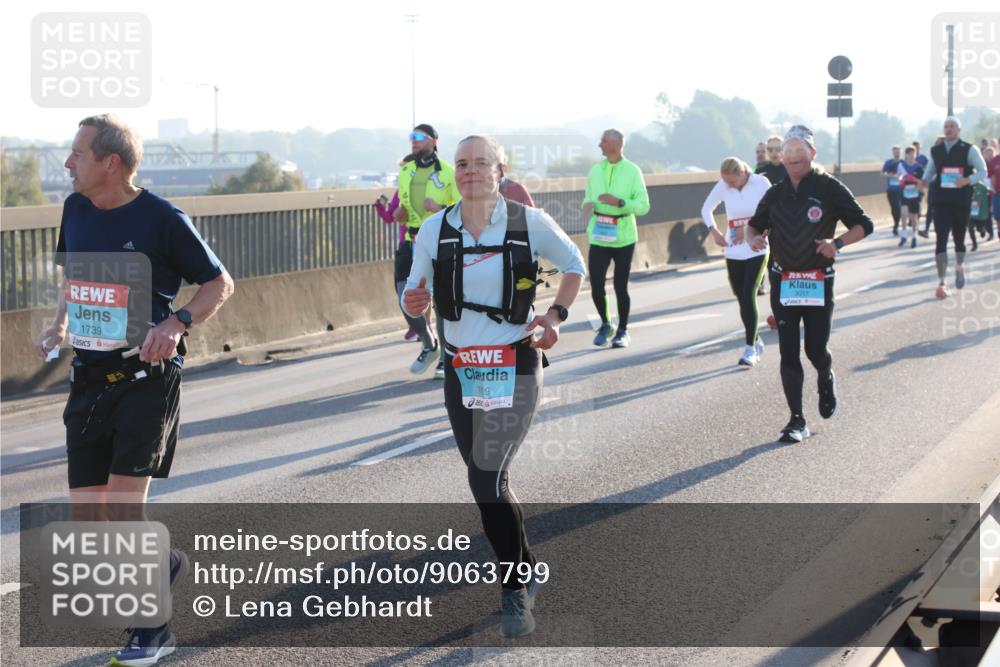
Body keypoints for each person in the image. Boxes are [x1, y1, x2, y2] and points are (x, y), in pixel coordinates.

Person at [34, 114, 234, 666]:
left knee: (123, 513)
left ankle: (153, 630)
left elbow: (219, 282)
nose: (68, 163)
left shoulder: (162, 217)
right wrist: (61, 325)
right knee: (90, 525)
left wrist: (176, 324)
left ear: (110, 163)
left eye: (77, 154)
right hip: (88, 381)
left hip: (146, 379)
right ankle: (163, 561)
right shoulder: (75, 209)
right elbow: (73, 278)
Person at [402, 135, 584, 637]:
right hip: (462, 367)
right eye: (462, 164)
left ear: (500, 170)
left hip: (517, 362)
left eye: (482, 163)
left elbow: (575, 265)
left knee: (485, 478)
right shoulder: (435, 229)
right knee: (491, 485)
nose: (471, 171)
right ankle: (526, 571)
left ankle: (513, 595)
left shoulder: (527, 221)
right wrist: (414, 306)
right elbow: (414, 291)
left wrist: (555, 316)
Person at [745, 126, 873, 444]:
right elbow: (753, 226)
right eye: (787, 159)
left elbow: (864, 224)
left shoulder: (829, 187)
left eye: (799, 158)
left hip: (818, 280)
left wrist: (837, 243)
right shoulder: (775, 192)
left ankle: (825, 375)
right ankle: (796, 420)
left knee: (814, 348)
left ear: (812, 155)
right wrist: (756, 239)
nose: (793, 164)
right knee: (788, 352)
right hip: (784, 279)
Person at [396, 124, 461, 377]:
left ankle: (447, 355)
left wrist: (438, 207)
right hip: (411, 240)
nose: (414, 141)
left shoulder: (448, 172)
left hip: (439, 242)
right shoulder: (406, 171)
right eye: (411, 137)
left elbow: (461, 209)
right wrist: (400, 215)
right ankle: (429, 343)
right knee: (405, 297)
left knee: (441, 302)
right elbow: (402, 207)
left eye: (420, 137)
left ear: (434, 141)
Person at [583, 129, 651, 348]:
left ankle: (623, 330)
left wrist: (620, 202)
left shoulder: (633, 171)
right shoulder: (595, 170)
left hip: (623, 236)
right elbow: (589, 195)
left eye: (603, 141)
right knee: (595, 285)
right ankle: (606, 324)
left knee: (621, 287)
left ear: (616, 144)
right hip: (599, 233)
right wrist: (587, 203)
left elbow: (643, 206)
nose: (599, 145)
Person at [700, 157, 770, 367]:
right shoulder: (724, 185)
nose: (728, 186)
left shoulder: (760, 184)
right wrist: (714, 231)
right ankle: (756, 339)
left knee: (749, 293)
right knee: (741, 297)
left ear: (742, 173)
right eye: (726, 183)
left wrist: (747, 228)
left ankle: (749, 348)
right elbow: (706, 209)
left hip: (757, 247)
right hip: (733, 250)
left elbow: (774, 211)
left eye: (732, 182)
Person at [920, 116, 989, 299]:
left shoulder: (969, 149)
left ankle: (959, 266)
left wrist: (967, 180)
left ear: (958, 129)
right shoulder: (936, 150)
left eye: (952, 127)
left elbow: (982, 172)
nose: (948, 129)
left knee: (959, 239)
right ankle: (942, 281)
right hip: (941, 201)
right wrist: (924, 181)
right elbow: (930, 170)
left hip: (961, 201)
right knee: (940, 240)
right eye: (946, 126)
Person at [375, 190, 426, 341]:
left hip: (421, 243)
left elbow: (390, 217)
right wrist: (380, 206)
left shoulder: (422, 187)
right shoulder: (402, 190)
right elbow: (391, 217)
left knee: (418, 286)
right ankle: (418, 325)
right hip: (408, 245)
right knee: (406, 287)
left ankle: (423, 326)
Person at [896, 147, 924, 248]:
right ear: (906, 155)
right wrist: (901, 180)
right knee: (903, 214)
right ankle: (904, 236)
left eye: (913, 153)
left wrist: (913, 179)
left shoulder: (919, 167)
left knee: (913, 218)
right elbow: (899, 176)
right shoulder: (901, 166)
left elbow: (921, 182)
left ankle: (914, 237)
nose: (912, 155)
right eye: (910, 154)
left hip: (915, 194)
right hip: (904, 193)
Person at [918, 137, 945, 238]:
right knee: (930, 207)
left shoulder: (951, 156)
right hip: (934, 185)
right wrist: (923, 181)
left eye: (940, 144)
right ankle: (927, 229)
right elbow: (928, 171)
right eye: (936, 143)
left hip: (948, 186)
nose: (938, 145)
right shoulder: (933, 156)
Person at [881, 145, 903, 235]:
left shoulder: (903, 162)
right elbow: (882, 174)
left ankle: (897, 225)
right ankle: (896, 223)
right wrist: (889, 175)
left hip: (902, 189)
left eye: (898, 151)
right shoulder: (888, 162)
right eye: (895, 151)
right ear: (892, 152)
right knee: (894, 208)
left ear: (900, 152)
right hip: (891, 189)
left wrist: (900, 175)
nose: (896, 153)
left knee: (899, 207)